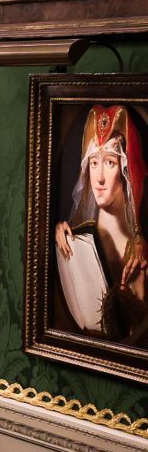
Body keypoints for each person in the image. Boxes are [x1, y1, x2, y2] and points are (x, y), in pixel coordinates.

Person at [56, 102, 148, 339]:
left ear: (126, 172)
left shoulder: (136, 256)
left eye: (110, 163)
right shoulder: (78, 235)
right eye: (94, 163)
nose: (99, 178)